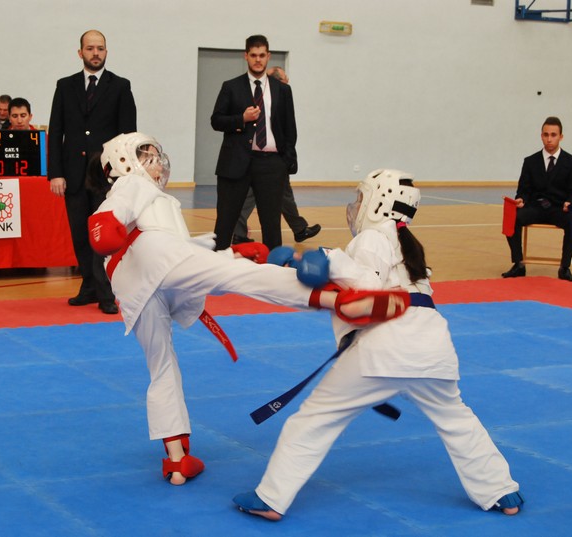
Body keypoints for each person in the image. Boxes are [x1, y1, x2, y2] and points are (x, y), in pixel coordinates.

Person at [87, 133, 411, 487]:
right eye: (146, 157)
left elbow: (180, 252)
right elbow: (113, 223)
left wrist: (230, 252)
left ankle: (177, 460)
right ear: (122, 163)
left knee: (161, 365)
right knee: (243, 277)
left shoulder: (150, 202)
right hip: (156, 261)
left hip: (134, 284)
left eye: (155, 156)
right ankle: (339, 300)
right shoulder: (130, 185)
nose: (156, 164)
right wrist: (104, 226)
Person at [234, 169, 524, 520]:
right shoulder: (407, 244)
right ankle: (500, 490)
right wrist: (302, 264)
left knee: (313, 420)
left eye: (361, 198)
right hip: (432, 347)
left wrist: (327, 258)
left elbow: (367, 286)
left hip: (386, 346)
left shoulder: (372, 237)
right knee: (457, 419)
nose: (356, 205)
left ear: (379, 201)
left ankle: (271, 497)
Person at [48, 29, 136, 314]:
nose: (95, 53)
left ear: (106, 52)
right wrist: (55, 173)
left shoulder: (120, 86)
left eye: (100, 48)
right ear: (80, 52)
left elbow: (128, 135)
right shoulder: (65, 86)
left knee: (103, 235)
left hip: (105, 176)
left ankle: (106, 292)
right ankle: (88, 286)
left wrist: (124, 175)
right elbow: (56, 131)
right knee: (79, 234)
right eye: (90, 48)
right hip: (72, 174)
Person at [211, 34, 298, 252]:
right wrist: (241, 118)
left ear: (268, 56)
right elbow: (216, 120)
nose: (257, 60)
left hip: (271, 164)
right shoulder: (231, 86)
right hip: (236, 161)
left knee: (271, 223)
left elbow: (290, 128)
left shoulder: (282, 90)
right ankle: (218, 261)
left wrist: (284, 161)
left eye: (261, 55)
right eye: (253, 55)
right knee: (226, 220)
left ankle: (273, 266)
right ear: (246, 56)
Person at [232, 66, 320, 245]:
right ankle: (239, 233)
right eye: (285, 80)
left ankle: (299, 228)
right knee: (254, 196)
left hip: (277, 159)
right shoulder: (259, 98)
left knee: (282, 194)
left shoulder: (280, 97)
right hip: (260, 159)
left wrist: (287, 157)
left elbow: (289, 129)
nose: (287, 84)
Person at [502, 116, 572, 282]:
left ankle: (564, 267)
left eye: (553, 135)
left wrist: (571, 202)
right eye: (546, 135)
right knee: (512, 218)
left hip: (559, 209)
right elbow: (523, 189)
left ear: (561, 137)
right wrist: (521, 199)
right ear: (541, 136)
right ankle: (518, 264)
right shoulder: (530, 161)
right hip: (535, 207)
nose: (549, 139)